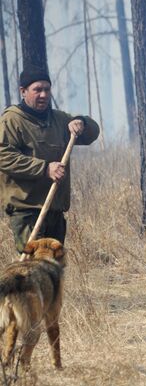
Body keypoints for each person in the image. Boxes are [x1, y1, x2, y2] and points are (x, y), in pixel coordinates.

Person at [0, 67, 100, 253]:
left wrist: (81, 122)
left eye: (47, 89)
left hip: (54, 209)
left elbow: (92, 133)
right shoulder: (12, 120)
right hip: (27, 211)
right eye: (37, 89)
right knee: (36, 269)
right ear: (23, 91)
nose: (43, 94)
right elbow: (3, 156)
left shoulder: (59, 119)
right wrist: (44, 168)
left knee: (53, 270)